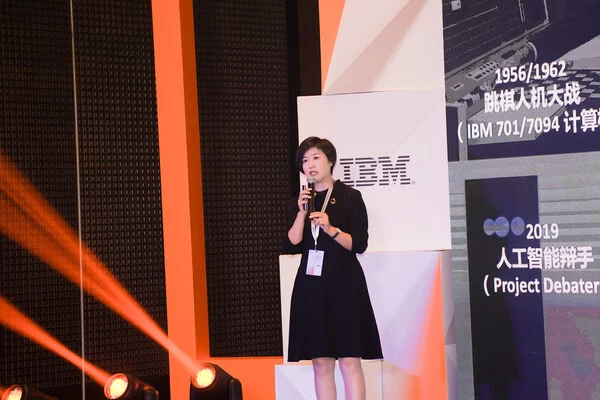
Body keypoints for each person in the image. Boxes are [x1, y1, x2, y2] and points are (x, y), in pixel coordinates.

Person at [284, 136, 383, 400]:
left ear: (330, 161)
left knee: (349, 360)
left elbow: (359, 244)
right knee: (321, 362)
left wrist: (331, 229)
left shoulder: (350, 197)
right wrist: (301, 213)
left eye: (316, 158)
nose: (310, 165)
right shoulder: (301, 201)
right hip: (312, 288)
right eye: (305, 160)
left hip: (345, 286)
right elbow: (292, 244)